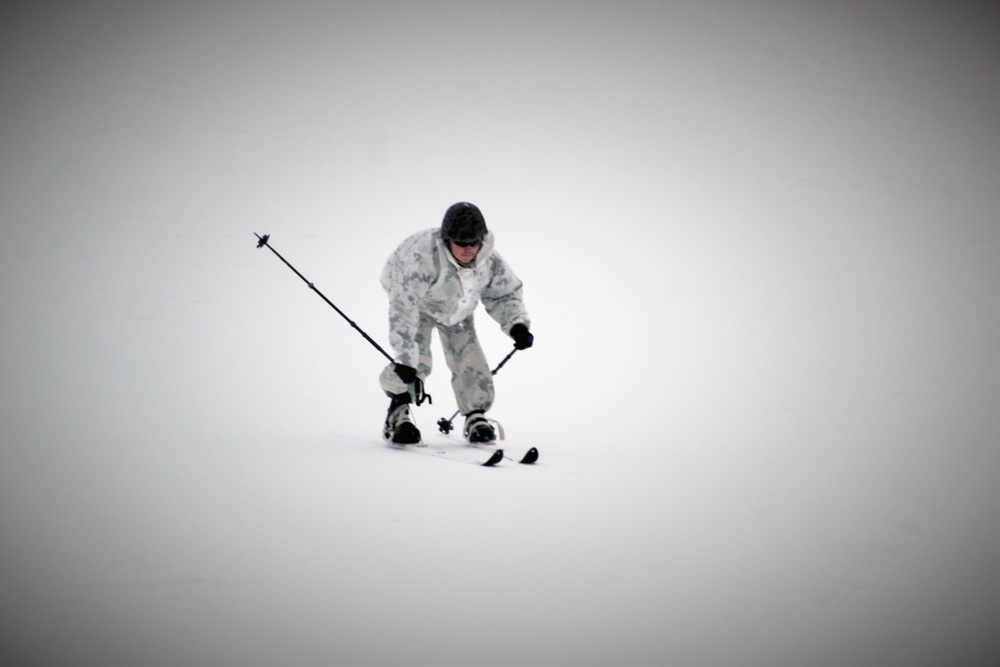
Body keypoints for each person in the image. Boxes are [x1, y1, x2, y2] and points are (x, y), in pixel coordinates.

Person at [379, 202, 533, 445]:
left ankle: (475, 416)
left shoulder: (489, 260)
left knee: (470, 359)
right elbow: (403, 307)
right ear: (447, 239)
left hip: (458, 308)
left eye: (473, 243)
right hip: (419, 304)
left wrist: (517, 325)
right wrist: (405, 358)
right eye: (460, 243)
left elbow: (504, 293)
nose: (467, 249)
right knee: (416, 361)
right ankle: (398, 414)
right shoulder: (423, 257)